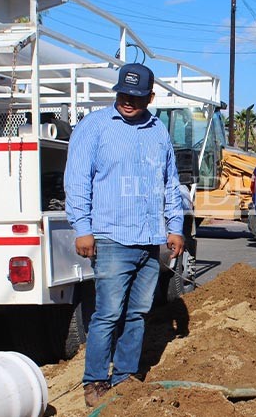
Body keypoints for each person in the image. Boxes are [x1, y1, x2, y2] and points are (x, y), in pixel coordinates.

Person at [65, 63, 185, 407]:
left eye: (136, 96)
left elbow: (169, 183)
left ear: (150, 96)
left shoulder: (158, 131)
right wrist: (83, 229)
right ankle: (95, 381)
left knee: (138, 314)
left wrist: (174, 227)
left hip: (149, 240)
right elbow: (77, 181)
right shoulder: (95, 127)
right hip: (111, 238)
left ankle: (125, 377)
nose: (128, 101)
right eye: (122, 94)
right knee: (107, 314)